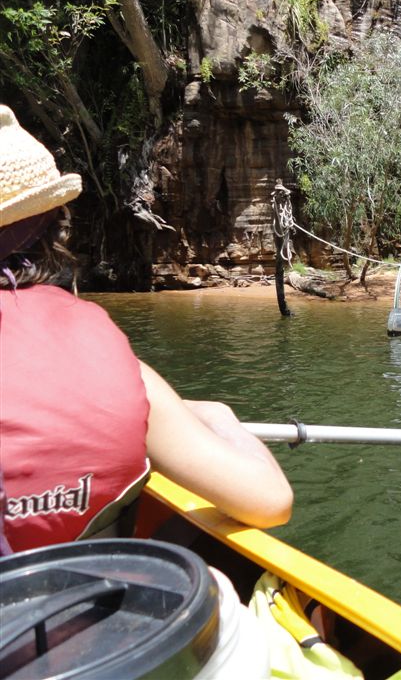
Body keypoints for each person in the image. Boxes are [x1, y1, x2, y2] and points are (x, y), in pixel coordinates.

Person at [0, 104, 292, 554]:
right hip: (79, 604)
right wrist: (221, 419)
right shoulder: (98, 348)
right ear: (56, 231)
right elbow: (270, 500)